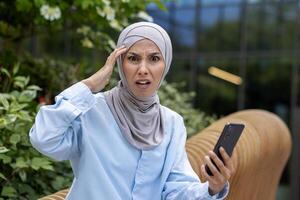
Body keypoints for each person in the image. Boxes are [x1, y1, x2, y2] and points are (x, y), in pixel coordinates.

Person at [29, 22, 234, 200]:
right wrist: (89, 85)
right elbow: (44, 138)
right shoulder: (91, 109)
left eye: (154, 59)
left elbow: (175, 190)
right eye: (133, 58)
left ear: (166, 64)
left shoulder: (172, 123)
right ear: (119, 62)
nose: (143, 69)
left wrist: (212, 188)